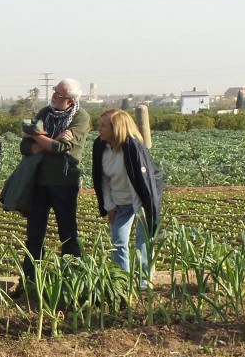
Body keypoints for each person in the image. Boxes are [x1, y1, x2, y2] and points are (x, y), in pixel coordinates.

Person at [20, 78, 90, 286]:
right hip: (39, 181)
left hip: (65, 181)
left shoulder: (81, 117)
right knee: (34, 233)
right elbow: (25, 146)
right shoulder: (45, 113)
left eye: (59, 95)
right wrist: (51, 139)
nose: (54, 97)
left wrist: (38, 137)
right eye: (54, 92)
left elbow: (61, 148)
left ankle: (73, 279)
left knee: (67, 232)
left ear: (70, 100)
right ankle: (31, 280)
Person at [92, 108, 163, 288]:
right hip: (119, 200)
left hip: (141, 200)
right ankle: (121, 280)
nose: (98, 129)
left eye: (103, 126)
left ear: (116, 128)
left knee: (143, 241)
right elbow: (101, 178)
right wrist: (108, 206)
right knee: (118, 241)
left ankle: (143, 280)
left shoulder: (133, 148)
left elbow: (142, 182)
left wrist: (144, 211)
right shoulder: (100, 146)